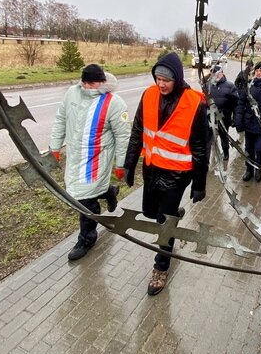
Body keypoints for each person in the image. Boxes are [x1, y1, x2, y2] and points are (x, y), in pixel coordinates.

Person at [123, 52, 209, 296]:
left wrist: (199, 183)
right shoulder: (149, 95)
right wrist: (129, 164)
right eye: (158, 78)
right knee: (151, 212)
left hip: (177, 175)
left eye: (166, 80)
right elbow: (138, 130)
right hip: (151, 169)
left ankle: (161, 268)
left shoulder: (194, 103)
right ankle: (173, 216)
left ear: (177, 79)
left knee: (164, 223)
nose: (161, 84)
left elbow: (202, 146)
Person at [50, 64, 130, 261]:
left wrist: (121, 164)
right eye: (85, 82)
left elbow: (123, 135)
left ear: (102, 82)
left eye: (92, 83)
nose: (87, 87)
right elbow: (61, 118)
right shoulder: (72, 94)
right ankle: (109, 191)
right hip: (75, 157)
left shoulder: (114, 103)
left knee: (85, 200)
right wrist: (55, 145)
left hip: (97, 160)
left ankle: (87, 238)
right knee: (81, 191)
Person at [204, 65, 238, 161]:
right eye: (213, 73)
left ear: (222, 73)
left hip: (224, 117)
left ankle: (226, 153)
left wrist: (235, 118)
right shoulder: (208, 86)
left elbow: (236, 104)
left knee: (224, 137)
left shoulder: (230, 86)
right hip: (210, 117)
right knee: (210, 138)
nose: (216, 75)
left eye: (218, 73)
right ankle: (210, 155)